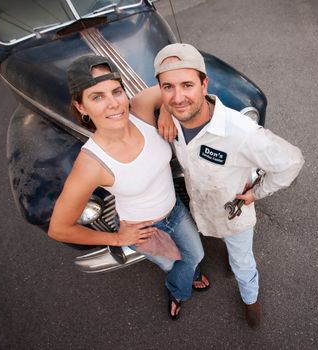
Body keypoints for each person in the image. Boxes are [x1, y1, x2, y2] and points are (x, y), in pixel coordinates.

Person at [132, 43, 305, 328]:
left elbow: (291, 162)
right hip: (202, 207)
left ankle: (251, 300)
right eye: (168, 88)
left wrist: (257, 193)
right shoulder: (172, 114)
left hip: (233, 213)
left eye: (187, 85)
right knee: (215, 239)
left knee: (241, 262)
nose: (178, 97)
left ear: (204, 84)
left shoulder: (241, 132)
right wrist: (164, 106)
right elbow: (143, 100)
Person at [48, 55, 210, 320]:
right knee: (172, 264)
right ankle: (178, 291)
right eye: (97, 97)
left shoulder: (141, 110)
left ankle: (185, 277)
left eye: (116, 91)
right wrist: (116, 239)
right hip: (143, 230)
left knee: (196, 254)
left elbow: (170, 88)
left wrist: (167, 111)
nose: (113, 104)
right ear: (81, 106)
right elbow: (59, 228)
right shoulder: (90, 163)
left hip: (175, 211)